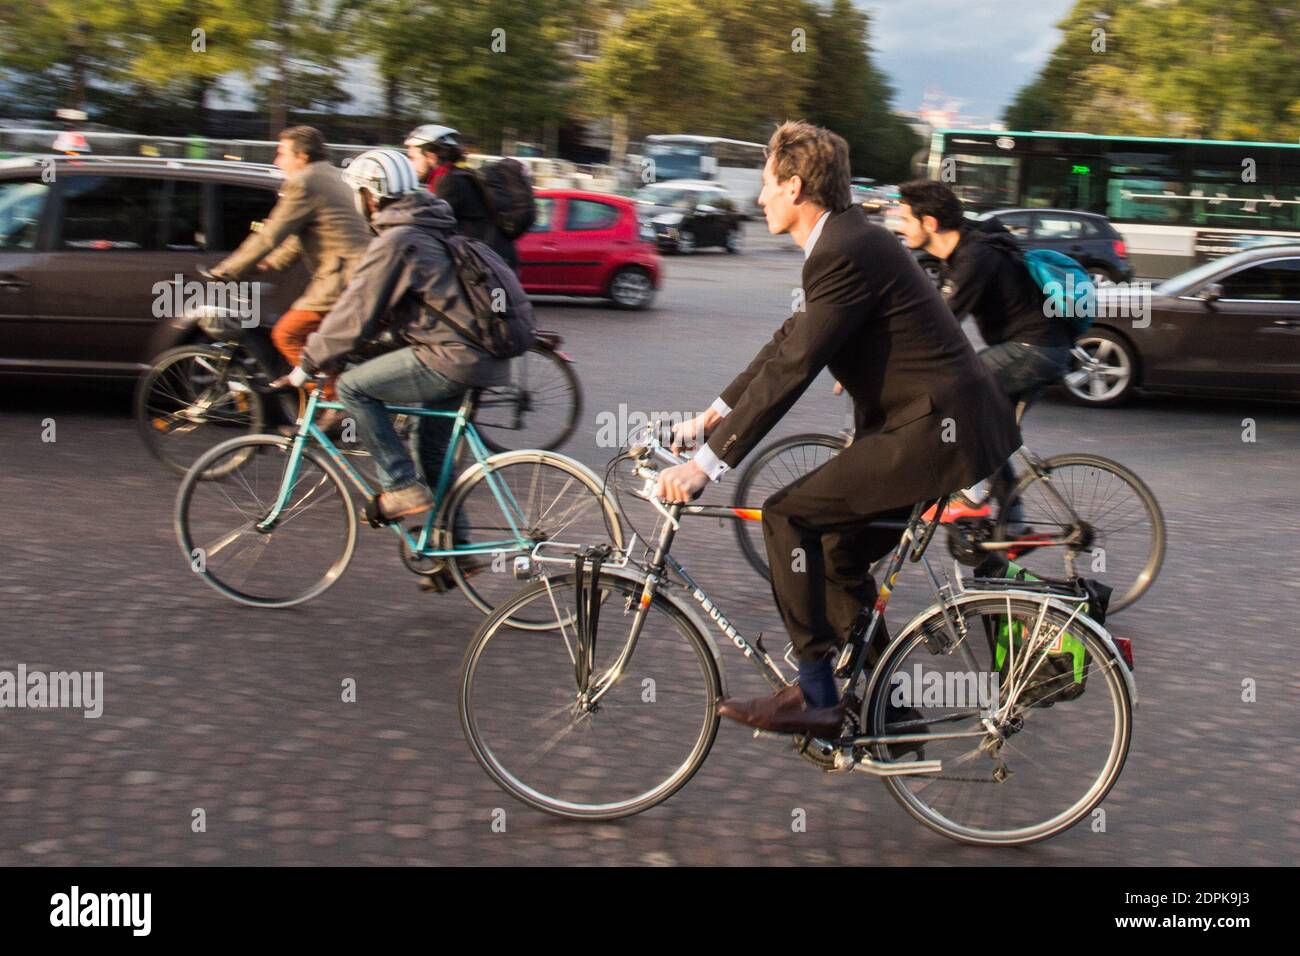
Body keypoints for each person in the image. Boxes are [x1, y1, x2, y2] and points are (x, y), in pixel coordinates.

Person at [655, 121, 1021, 736]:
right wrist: (709, 418)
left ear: (796, 187)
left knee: (787, 515)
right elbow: (787, 346)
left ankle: (817, 695)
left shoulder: (846, 249)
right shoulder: (847, 242)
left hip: (933, 432)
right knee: (834, 555)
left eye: (769, 185)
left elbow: (796, 368)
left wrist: (705, 466)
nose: (760, 199)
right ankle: (890, 714)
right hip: (933, 426)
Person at [280, 149, 510, 522]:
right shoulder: (428, 227)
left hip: (451, 358)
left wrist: (308, 363)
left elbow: (356, 311)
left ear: (370, 194)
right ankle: (453, 553)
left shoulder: (397, 239)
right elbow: (395, 312)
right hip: (478, 355)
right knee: (430, 449)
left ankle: (400, 486)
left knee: (354, 387)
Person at [895, 180, 1074, 516]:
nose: (898, 226)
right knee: (991, 431)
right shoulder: (963, 250)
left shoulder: (975, 256)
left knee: (961, 393)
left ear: (929, 223)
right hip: (1042, 348)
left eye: (905, 219)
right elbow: (926, 314)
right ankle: (1012, 525)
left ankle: (970, 498)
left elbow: (939, 326)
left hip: (1034, 349)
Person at [210, 126, 372, 431]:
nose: (276, 160)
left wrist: (227, 270)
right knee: (317, 342)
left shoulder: (305, 182)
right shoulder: (331, 175)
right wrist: (268, 265)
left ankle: (335, 402)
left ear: (301, 155)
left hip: (343, 278)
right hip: (353, 274)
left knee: (288, 333)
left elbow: (271, 233)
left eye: (281, 153)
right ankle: (332, 400)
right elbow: (302, 235)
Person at [403, 124, 518, 271]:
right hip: (490, 261)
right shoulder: (456, 175)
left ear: (431, 156)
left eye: (413, 158)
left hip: (491, 267)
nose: (410, 165)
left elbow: (428, 225)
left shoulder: (449, 183)